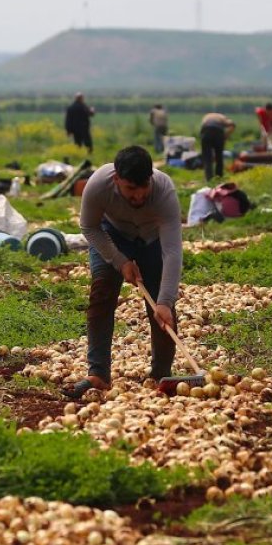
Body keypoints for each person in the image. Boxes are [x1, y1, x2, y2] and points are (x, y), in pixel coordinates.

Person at [69, 146, 182, 399]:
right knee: (102, 293)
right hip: (112, 236)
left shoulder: (164, 191)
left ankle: (161, 374)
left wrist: (165, 301)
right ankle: (98, 373)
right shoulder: (98, 185)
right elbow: (89, 227)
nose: (139, 195)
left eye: (144, 187)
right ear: (116, 178)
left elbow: (172, 250)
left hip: (152, 241)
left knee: (162, 309)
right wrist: (120, 261)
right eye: (131, 189)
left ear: (151, 178)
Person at [199, 112, 235, 184]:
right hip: (218, 132)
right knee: (219, 157)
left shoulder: (206, 116)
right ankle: (219, 178)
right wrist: (226, 135)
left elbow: (202, 128)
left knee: (207, 158)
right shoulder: (221, 117)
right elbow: (232, 124)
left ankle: (209, 179)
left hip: (206, 132)